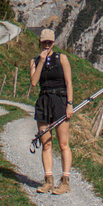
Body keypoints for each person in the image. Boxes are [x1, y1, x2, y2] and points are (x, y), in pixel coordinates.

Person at [30, 27, 74, 194]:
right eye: (44, 42)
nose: (47, 45)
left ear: (54, 42)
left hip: (60, 101)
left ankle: (65, 181)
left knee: (63, 144)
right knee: (45, 143)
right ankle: (48, 180)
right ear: (40, 43)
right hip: (43, 101)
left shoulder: (62, 58)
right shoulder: (34, 61)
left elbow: (69, 83)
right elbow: (34, 82)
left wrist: (69, 104)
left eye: (50, 42)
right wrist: (41, 61)